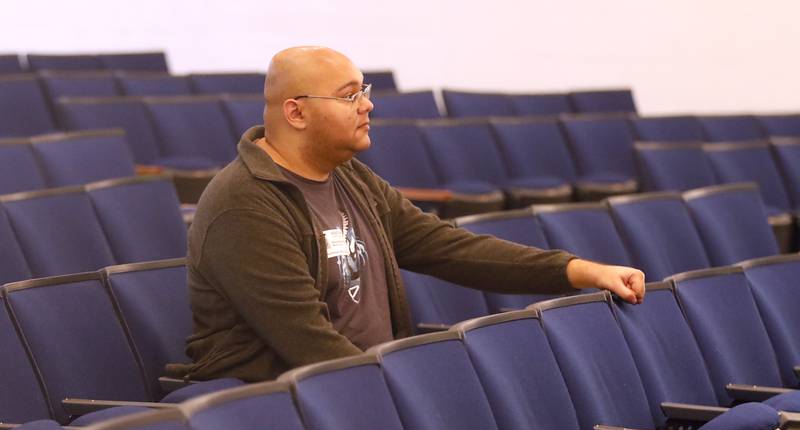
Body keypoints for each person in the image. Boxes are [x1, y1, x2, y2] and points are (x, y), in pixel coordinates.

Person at [167, 46, 645, 382]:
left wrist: (579, 270)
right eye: (349, 95)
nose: (367, 105)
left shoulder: (349, 177)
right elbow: (307, 343)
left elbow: (447, 247)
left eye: (364, 91)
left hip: (364, 383)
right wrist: (404, 396)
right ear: (296, 113)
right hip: (285, 405)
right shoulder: (244, 204)